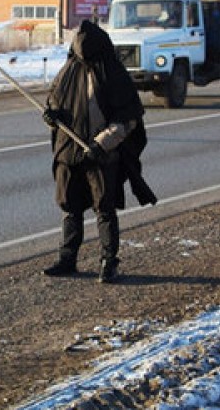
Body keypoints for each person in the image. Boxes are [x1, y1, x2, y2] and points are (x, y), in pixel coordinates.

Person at [41, 20, 156, 283]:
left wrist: (101, 144)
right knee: (70, 207)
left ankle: (108, 262)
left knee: (104, 208)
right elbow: (54, 101)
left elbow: (127, 120)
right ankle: (67, 259)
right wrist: (51, 115)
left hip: (101, 154)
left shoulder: (111, 73)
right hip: (69, 152)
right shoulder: (68, 70)